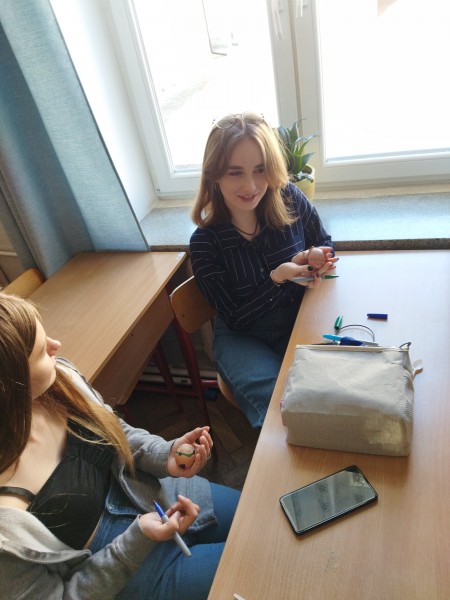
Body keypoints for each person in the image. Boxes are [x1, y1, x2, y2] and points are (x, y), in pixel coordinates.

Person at [0, 292, 240, 600]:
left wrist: (165, 455)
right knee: (256, 565)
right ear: (10, 388)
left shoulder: (59, 379)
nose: (56, 346)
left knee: (264, 521)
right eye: (40, 352)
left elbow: (116, 431)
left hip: (156, 493)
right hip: (124, 571)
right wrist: (137, 539)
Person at [190, 112, 337, 429]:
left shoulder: (290, 197)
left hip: (298, 320)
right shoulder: (205, 243)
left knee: (330, 395)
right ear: (214, 174)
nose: (251, 185)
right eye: (235, 172)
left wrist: (316, 257)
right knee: (283, 412)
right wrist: (277, 277)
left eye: (260, 170)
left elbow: (324, 242)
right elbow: (236, 318)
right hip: (243, 339)